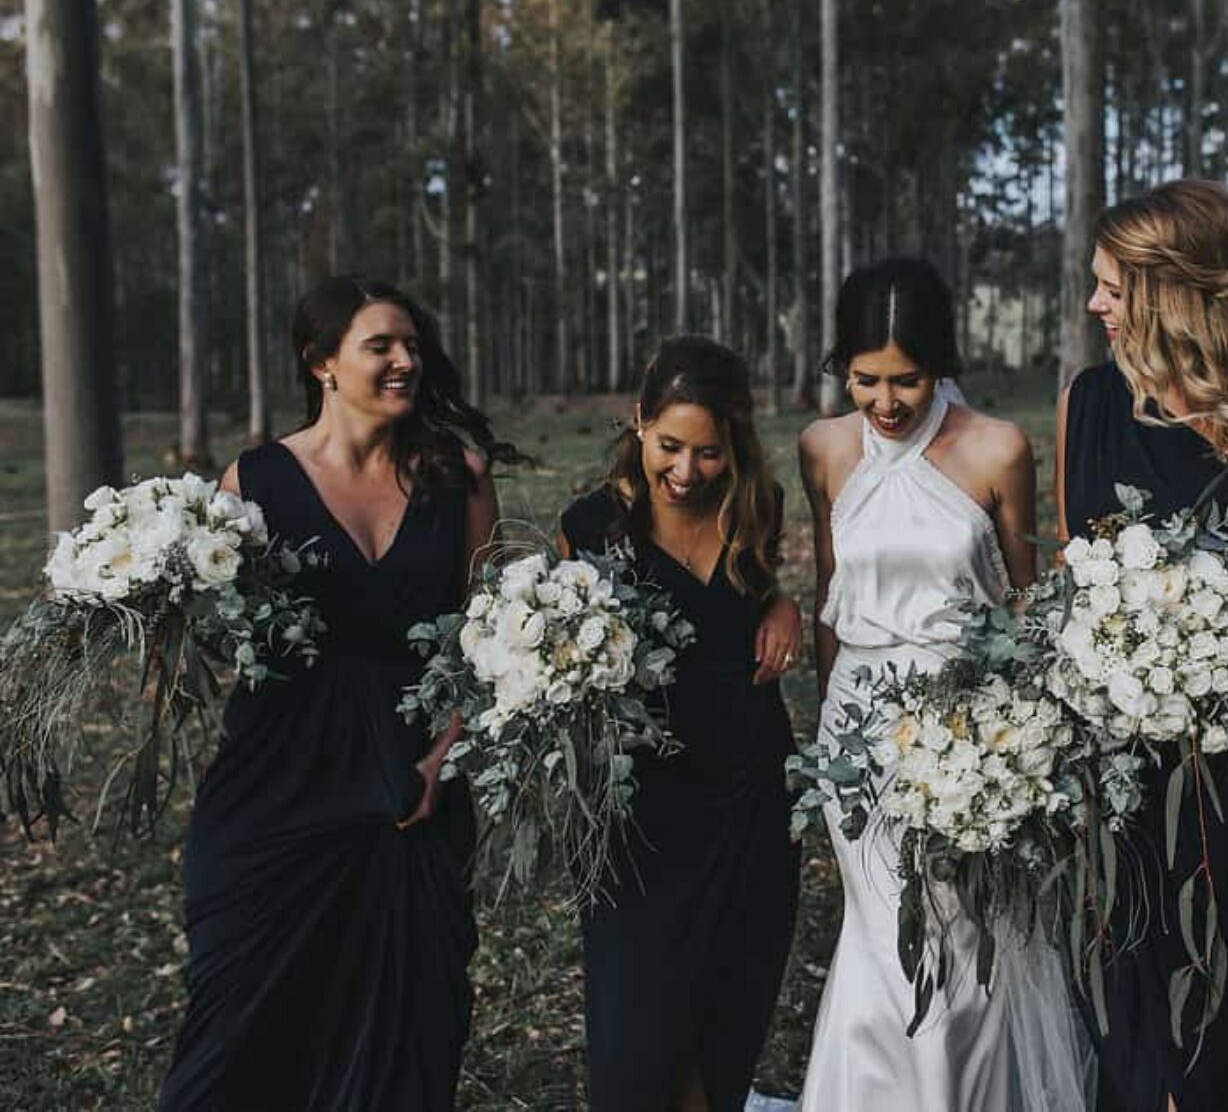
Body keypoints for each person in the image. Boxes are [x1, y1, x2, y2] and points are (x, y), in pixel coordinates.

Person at [161, 276, 521, 1110]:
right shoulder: (252, 482)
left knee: (408, 1034)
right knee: (237, 1036)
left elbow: (490, 638)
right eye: (381, 346)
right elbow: (221, 635)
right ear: (321, 363)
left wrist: (447, 751)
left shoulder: (461, 477)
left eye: (412, 346)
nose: (405, 361)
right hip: (274, 791)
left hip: (410, 793)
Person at [798, 257, 1094, 1111]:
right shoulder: (822, 449)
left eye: (907, 379)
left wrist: (1021, 742)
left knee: (959, 929)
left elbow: (1027, 603)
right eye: (865, 380)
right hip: (855, 724)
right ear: (841, 369)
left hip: (968, 728)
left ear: (942, 363)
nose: (886, 402)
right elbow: (828, 595)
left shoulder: (999, 446)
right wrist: (832, 734)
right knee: (876, 930)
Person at [1057, 178, 1228, 1110]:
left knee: (1204, 946)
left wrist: (1196, 597)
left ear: (1168, 291)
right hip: (1108, 730)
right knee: (1114, 940)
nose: (1095, 304)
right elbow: (1070, 574)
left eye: (1110, 287)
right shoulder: (1087, 402)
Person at [558, 335, 803, 1112]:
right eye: (670, 446)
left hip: (751, 799)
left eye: (709, 452)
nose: (687, 471)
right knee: (639, 1045)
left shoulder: (757, 509)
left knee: (726, 1027)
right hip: (645, 817)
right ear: (637, 422)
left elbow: (753, 599)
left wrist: (782, 604)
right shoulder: (592, 527)